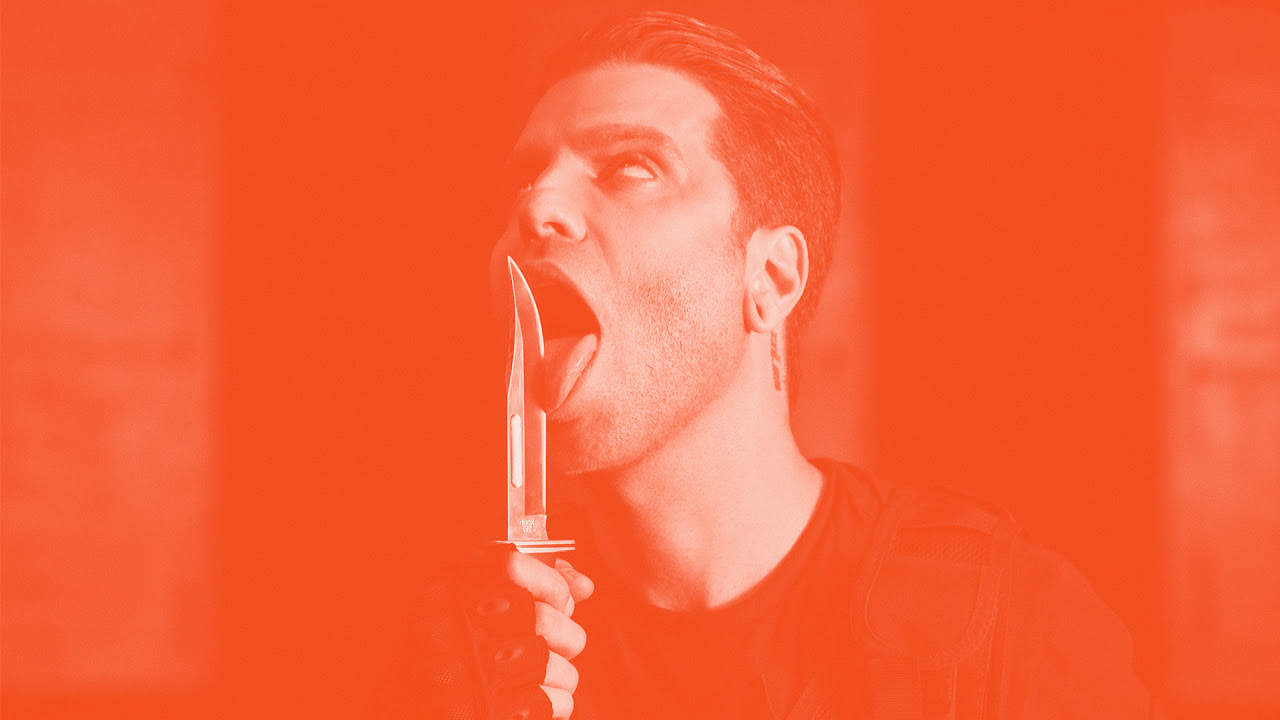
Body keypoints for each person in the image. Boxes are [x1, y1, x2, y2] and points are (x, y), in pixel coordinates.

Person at [371, 11, 1157, 720]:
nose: (535, 206)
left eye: (631, 168)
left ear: (772, 279)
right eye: (524, 179)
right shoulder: (467, 657)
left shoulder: (1012, 629)